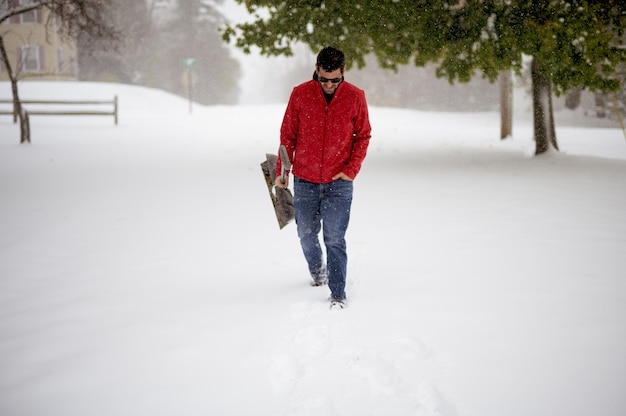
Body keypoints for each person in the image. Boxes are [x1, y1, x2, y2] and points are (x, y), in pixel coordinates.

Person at [275, 46, 372, 309]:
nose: (329, 85)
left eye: (335, 80)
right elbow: (287, 137)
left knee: (334, 238)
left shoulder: (355, 97)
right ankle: (318, 271)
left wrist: (351, 170)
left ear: (343, 73)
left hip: (339, 183)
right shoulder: (300, 94)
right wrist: (282, 174)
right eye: (324, 78)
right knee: (306, 233)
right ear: (316, 70)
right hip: (305, 180)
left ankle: (338, 292)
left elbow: (363, 135)